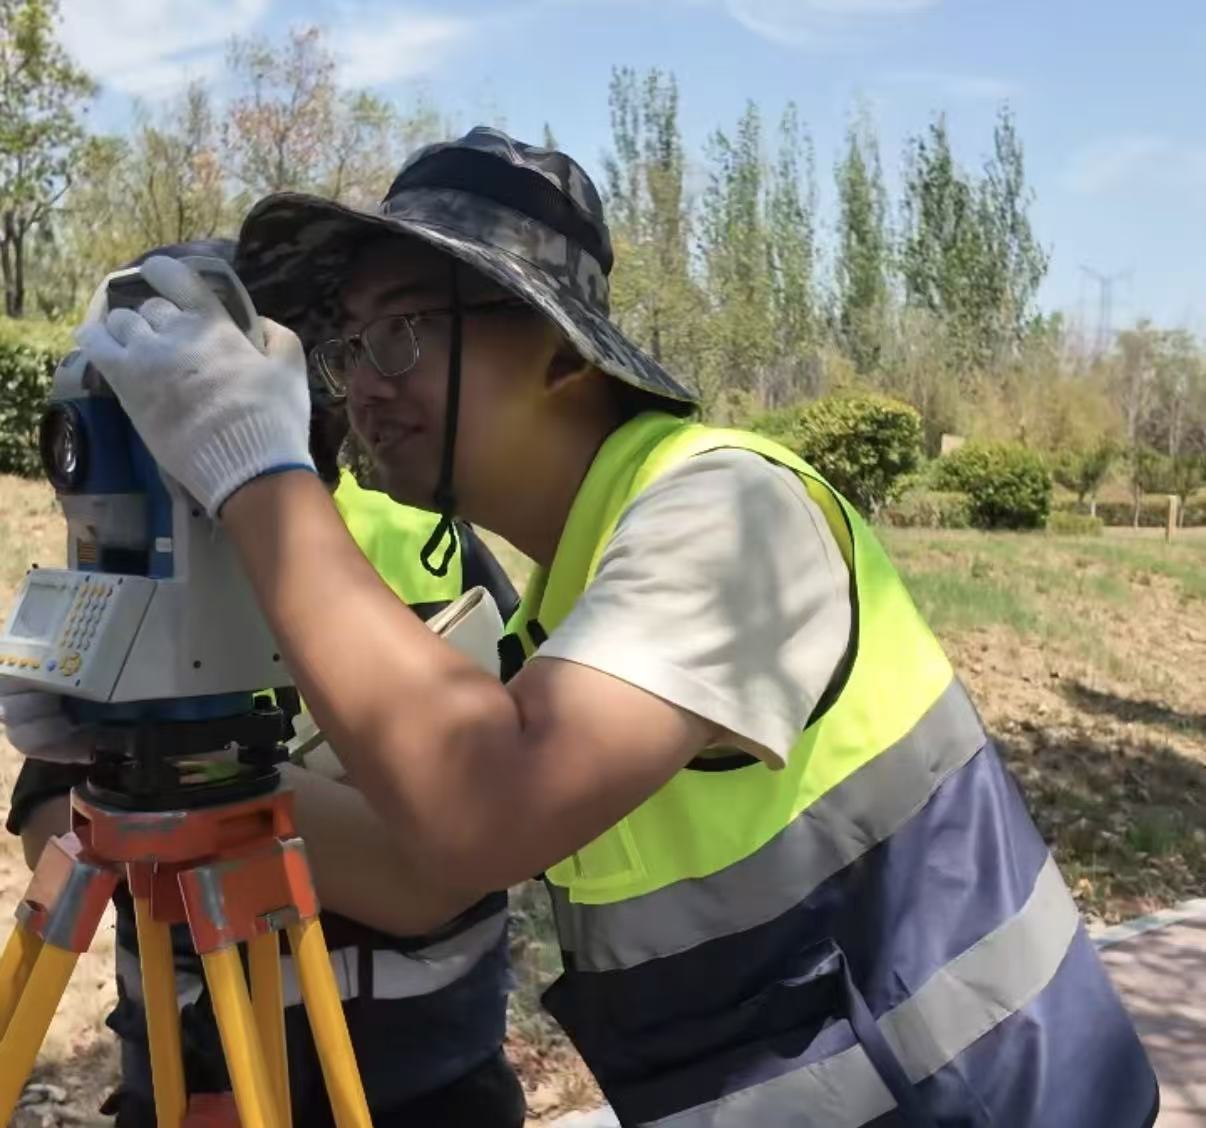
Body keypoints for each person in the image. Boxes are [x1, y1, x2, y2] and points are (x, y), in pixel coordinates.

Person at [16, 128, 1159, 1126]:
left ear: (563, 345)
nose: (360, 386)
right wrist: (134, 752)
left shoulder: (730, 512)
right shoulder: (567, 606)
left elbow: (478, 805)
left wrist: (255, 470)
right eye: (350, 348)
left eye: (403, 332)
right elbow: (421, 869)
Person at [4, 239, 526, 1128]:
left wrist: (208, 790)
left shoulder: (419, 544)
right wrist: (118, 752)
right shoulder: (128, 554)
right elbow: (57, 826)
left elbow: (438, 875)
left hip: (410, 1087)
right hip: (184, 1080)